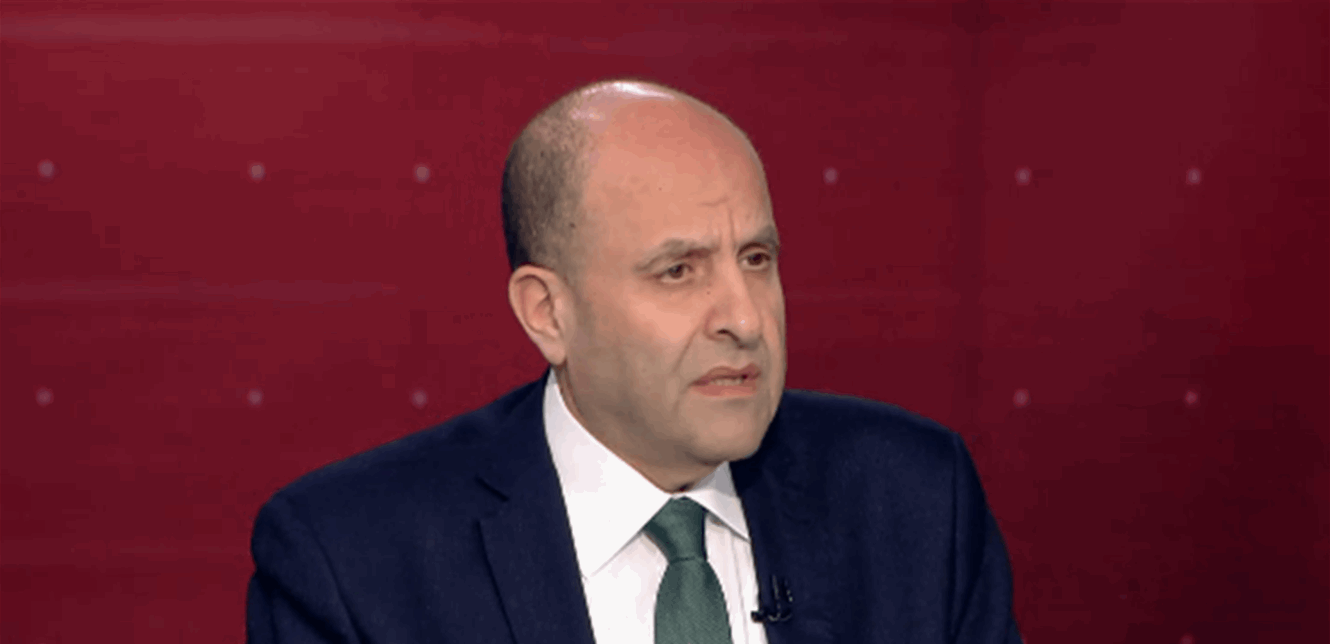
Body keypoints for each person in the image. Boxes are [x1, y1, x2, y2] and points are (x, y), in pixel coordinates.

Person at [246, 78, 1022, 644]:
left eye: (756, 259)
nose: (745, 319)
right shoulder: (351, 560)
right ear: (548, 313)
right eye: (677, 271)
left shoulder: (915, 501)